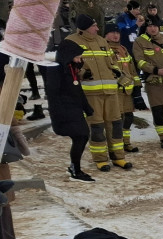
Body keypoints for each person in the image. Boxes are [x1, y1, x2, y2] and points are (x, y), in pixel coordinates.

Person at [67, 14, 132, 172]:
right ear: (85, 27)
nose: (97, 28)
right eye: (94, 26)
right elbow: (68, 65)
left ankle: (118, 157)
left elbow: (112, 61)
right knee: (96, 127)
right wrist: (82, 73)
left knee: (116, 125)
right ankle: (101, 159)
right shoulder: (71, 41)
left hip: (111, 91)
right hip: (90, 94)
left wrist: (116, 71)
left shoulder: (102, 41)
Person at [46, 30, 95, 182]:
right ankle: (75, 169)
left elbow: (77, 90)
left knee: (83, 136)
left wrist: (87, 108)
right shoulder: (56, 70)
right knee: (81, 136)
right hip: (65, 111)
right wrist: (59, 113)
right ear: (68, 55)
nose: (79, 60)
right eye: (77, 56)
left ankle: (75, 167)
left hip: (75, 109)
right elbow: (53, 94)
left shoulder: (71, 68)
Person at [134, 18, 163, 149]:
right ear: (146, 28)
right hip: (153, 81)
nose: (153, 28)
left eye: (155, 26)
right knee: (158, 110)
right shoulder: (139, 41)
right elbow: (140, 61)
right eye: (150, 26)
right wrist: (155, 70)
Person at [104, 24, 141, 155]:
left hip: (127, 91)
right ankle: (115, 145)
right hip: (115, 91)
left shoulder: (123, 49)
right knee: (116, 119)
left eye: (117, 33)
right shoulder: (104, 49)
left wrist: (137, 88)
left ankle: (126, 142)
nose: (115, 35)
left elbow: (132, 70)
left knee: (128, 117)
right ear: (106, 34)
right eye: (112, 33)